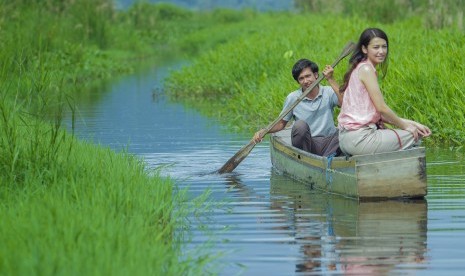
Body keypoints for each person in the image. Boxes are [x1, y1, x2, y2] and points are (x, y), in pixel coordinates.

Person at [337, 28, 431, 156]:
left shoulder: (361, 67)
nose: (381, 51)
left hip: (348, 139)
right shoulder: (366, 69)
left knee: (414, 129)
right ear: (365, 49)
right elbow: (382, 109)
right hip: (360, 139)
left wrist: (412, 123)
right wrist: (407, 127)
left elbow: (379, 114)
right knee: (415, 135)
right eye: (376, 47)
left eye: (384, 47)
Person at [253, 58, 343, 157]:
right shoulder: (293, 98)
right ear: (298, 81)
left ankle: (329, 157)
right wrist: (264, 131)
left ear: (316, 75)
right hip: (307, 145)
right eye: (301, 78)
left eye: (308, 76)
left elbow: (345, 104)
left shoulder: (328, 92)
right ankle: (308, 158)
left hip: (329, 142)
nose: (306, 81)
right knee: (300, 125)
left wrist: (331, 79)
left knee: (347, 129)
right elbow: (281, 124)